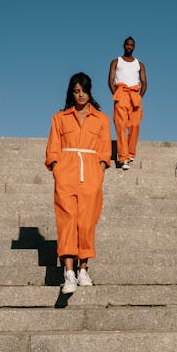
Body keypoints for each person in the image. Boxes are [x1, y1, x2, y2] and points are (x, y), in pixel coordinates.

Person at [46, 72, 111, 293]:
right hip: (66, 173)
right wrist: (57, 169)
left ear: (89, 91)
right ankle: (68, 272)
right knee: (67, 221)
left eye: (83, 90)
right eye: (76, 91)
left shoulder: (101, 119)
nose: (80, 95)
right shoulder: (60, 118)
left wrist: (99, 171)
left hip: (90, 174)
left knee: (86, 222)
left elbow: (105, 151)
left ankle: (84, 269)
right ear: (71, 93)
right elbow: (52, 148)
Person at [108, 36, 147, 170]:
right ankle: (123, 158)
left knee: (135, 126)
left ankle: (130, 153)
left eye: (131, 45)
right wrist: (117, 94)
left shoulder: (139, 64)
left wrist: (139, 97)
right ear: (123, 45)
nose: (129, 47)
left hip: (135, 95)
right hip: (121, 94)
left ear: (134, 47)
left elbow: (144, 82)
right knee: (121, 126)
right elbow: (111, 80)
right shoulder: (116, 61)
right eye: (127, 44)